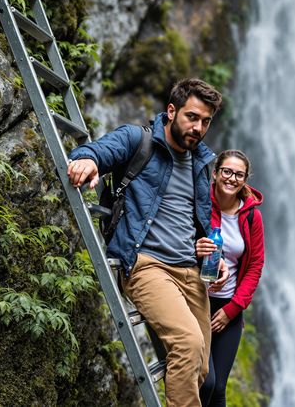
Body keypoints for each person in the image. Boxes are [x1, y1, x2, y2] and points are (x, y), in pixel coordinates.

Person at [67, 78, 229, 407]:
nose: (198, 128)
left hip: (191, 273)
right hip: (147, 265)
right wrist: (88, 161)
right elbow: (94, 151)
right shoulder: (137, 139)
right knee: (187, 343)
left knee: (199, 366)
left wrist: (214, 256)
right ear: (171, 111)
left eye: (206, 121)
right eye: (192, 117)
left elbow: (197, 222)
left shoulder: (200, 164)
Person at [196, 150, 265, 407]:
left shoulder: (251, 216)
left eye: (239, 174)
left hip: (229, 308)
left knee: (219, 388)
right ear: (215, 173)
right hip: (196, 301)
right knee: (206, 382)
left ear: (245, 179)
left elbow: (255, 265)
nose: (232, 178)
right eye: (227, 171)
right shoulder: (199, 202)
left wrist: (232, 309)